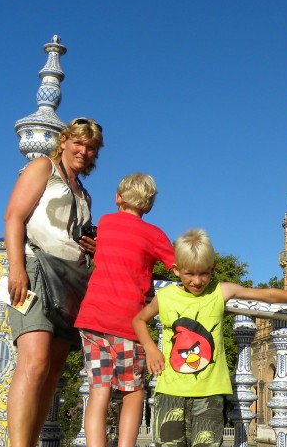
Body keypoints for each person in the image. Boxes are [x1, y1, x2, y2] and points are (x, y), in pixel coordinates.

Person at [133, 228, 287, 447]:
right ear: (176, 270)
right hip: (170, 391)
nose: (197, 280)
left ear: (213, 268)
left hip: (209, 394)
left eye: (204, 273)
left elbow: (267, 295)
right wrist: (151, 348)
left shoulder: (220, 291)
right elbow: (139, 320)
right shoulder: (166, 297)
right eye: (189, 273)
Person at [4, 117, 104, 447]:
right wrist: (16, 268)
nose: (84, 151)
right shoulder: (42, 168)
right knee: (34, 361)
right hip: (32, 269)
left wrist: (93, 247)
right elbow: (14, 216)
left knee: (52, 371)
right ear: (63, 142)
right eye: (79, 143)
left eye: (90, 148)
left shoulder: (84, 195)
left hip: (71, 284)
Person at [75, 172, 175, 447]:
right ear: (149, 205)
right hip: (127, 325)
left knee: (99, 392)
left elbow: (107, 254)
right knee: (132, 392)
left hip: (93, 318)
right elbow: (178, 267)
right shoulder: (154, 234)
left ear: (117, 198)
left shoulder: (104, 224)